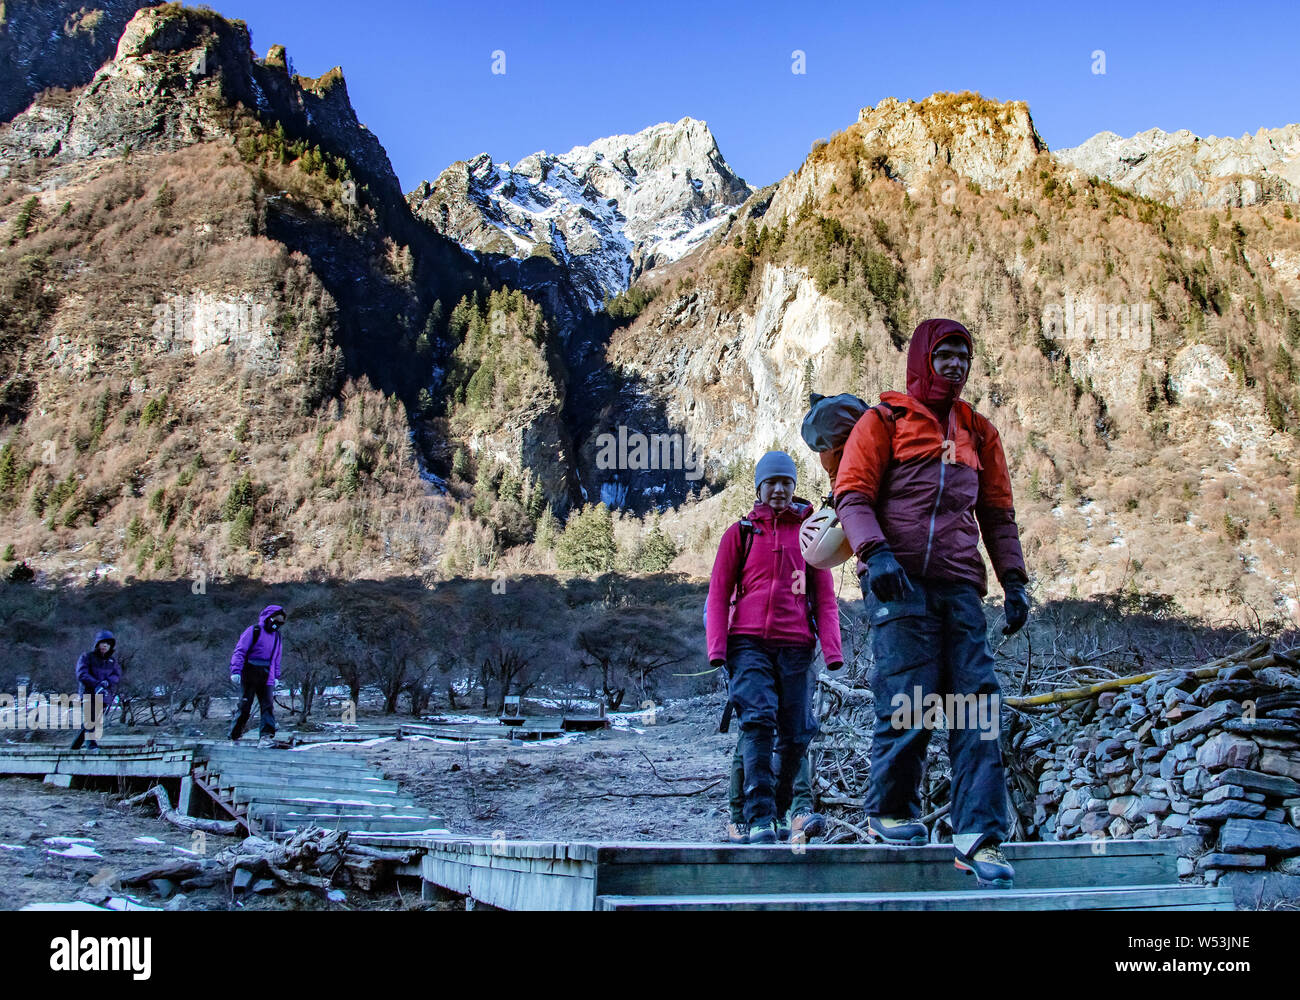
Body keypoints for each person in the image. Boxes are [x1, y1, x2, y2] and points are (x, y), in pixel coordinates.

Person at [834, 318, 1029, 888]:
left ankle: (979, 837)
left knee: (978, 705)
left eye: (964, 357)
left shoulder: (979, 431)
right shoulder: (884, 420)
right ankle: (891, 809)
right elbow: (852, 493)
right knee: (909, 698)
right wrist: (878, 555)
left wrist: (1013, 581)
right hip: (897, 584)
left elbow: (996, 514)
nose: (956, 365)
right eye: (945, 355)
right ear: (923, 358)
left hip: (960, 586)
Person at [707, 451, 843, 844]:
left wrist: (832, 651)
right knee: (758, 722)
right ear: (759, 488)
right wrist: (718, 648)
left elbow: (825, 597)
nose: (780, 489)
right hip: (748, 643)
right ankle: (759, 818)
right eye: (772, 483)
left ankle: (782, 810)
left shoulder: (813, 534)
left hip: (796, 645)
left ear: (795, 486)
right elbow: (719, 593)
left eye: (786, 482)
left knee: (797, 733)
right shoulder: (741, 533)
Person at [229, 605, 286, 747]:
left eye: (281, 622)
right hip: (249, 672)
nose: (277, 624)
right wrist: (236, 670)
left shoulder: (277, 636)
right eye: (276, 620)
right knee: (244, 706)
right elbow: (240, 651)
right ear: (268, 618)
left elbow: (276, 658)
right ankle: (234, 736)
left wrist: (276, 676)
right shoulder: (254, 631)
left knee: (267, 706)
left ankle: (266, 737)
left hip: (267, 675)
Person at [71, 630, 120, 750]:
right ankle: (91, 745)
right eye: (103, 643)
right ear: (97, 644)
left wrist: (107, 682)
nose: (105, 646)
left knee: (95, 720)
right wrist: (96, 684)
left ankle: (75, 747)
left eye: (108, 644)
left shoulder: (112, 661)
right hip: (88, 692)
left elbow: (117, 675)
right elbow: (82, 674)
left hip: (103, 695)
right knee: (90, 719)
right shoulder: (87, 657)